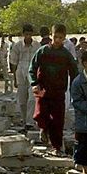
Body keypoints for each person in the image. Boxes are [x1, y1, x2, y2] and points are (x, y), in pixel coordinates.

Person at [28, 24, 78, 155]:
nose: (57, 40)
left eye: (60, 38)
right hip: (43, 89)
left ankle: (56, 146)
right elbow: (32, 68)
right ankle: (43, 129)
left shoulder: (66, 55)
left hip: (58, 91)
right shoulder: (43, 51)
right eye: (55, 37)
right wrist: (34, 83)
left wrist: (75, 87)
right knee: (40, 114)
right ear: (51, 35)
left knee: (57, 120)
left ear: (64, 38)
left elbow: (74, 72)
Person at [8, 25, 40, 124]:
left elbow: (40, 61)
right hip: (20, 73)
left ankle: (30, 122)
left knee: (32, 99)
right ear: (23, 34)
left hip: (33, 74)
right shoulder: (17, 46)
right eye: (26, 34)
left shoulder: (37, 46)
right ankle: (24, 120)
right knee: (22, 101)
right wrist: (15, 79)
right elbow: (14, 62)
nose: (28, 36)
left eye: (30, 34)